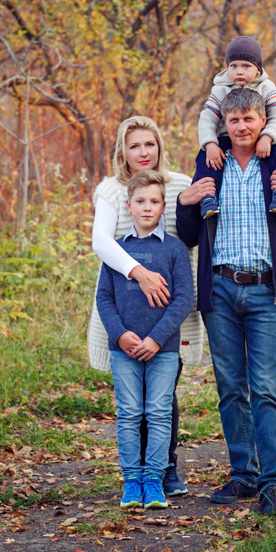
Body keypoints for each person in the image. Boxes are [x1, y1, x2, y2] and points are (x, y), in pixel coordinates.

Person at [176, 87, 276, 515]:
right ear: (223, 124)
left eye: (249, 120)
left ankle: (271, 481)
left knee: (264, 388)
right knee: (230, 388)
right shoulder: (210, 164)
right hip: (219, 290)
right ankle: (242, 473)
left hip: (264, 291)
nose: (241, 127)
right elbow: (188, 235)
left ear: (263, 122)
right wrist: (186, 204)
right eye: (233, 120)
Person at [87, 115, 204, 497]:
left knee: (163, 397)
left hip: (168, 315)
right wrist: (139, 273)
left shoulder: (179, 185)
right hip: (126, 309)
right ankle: (134, 475)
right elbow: (102, 243)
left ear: (159, 147)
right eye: (134, 145)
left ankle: (164, 469)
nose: (142, 152)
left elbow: (191, 235)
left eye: (149, 144)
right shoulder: (111, 190)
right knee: (131, 402)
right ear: (123, 149)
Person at [96, 171, 194, 510]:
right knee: (129, 413)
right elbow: (104, 299)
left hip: (163, 349)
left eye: (154, 201)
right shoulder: (117, 251)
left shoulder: (175, 249)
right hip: (123, 349)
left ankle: (154, 480)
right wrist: (120, 334)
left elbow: (184, 299)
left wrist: (155, 339)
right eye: (140, 201)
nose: (147, 207)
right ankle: (132, 481)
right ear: (129, 205)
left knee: (158, 412)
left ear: (163, 206)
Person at [196, 35, 276, 218]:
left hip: (261, 137)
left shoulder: (266, 86)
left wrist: (267, 136)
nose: (239, 71)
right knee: (205, 156)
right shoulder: (220, 89)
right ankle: (208, 197)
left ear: (258, 69)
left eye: (246, 66)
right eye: (233, 66)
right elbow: (207, 118)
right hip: (227, 139)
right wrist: (210, 144)